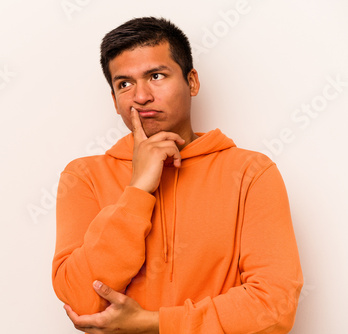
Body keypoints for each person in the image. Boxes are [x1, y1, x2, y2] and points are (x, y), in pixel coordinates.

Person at [52, 17, 303, 334]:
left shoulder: (251, 172)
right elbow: (82, 302)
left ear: (192, 82)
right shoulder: (83, 176)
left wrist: (153, 324)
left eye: (156, 76)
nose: (141, 96)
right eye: (124, 84)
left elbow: (274, 306)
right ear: (114, 101)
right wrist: (138, 189)